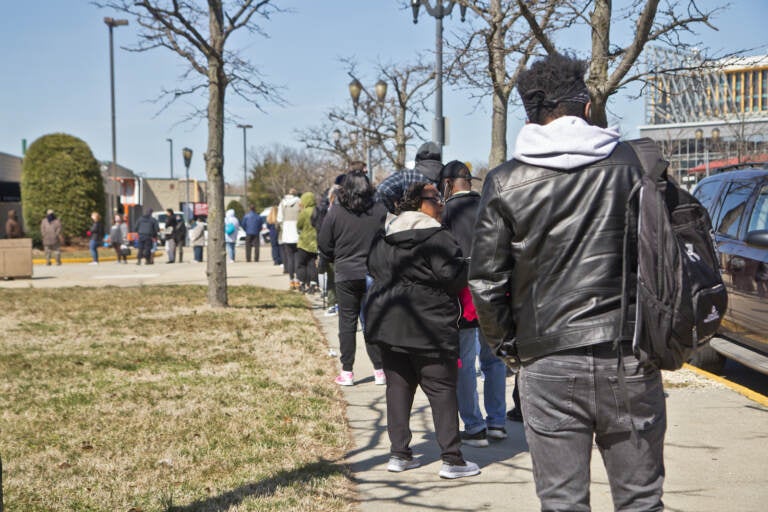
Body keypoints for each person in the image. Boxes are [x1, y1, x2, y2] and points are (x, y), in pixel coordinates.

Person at [469, 53, 666, 510]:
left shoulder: (505, 181)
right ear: (587, 104)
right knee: (641, 501)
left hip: (548, 361)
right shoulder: (632, 165)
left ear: (531, 114)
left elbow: (485, 281)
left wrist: (509, 349)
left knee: (563, 504)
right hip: (629, 353)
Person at [364, 182, 480, 480]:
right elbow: (453, 278)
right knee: (441, 391)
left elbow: (373, 268)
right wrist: (465, 266)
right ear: (418, 202)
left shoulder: (384, 236)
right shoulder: (438, 237)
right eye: (435, 198)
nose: (441, 203)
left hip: (388, 323)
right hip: (430, 326)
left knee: (398, 389)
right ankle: (452, 460)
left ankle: (399, 454)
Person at [438, 160, 507, 446]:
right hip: (494, 290)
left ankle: (474, 426)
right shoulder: (489, 206)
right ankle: (497, 422)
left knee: (465, 361)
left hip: (463, 293)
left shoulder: (447, 213)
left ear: (447, 184)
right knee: (494, 360)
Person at [318, 171, 387, 386]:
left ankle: (347, 371)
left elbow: (324, 243)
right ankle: (380, 370)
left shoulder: (336, 212)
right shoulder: (379, 211)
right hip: (372, 272)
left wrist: (332, 258)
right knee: (372, 323)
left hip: (346, 272)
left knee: (346, 323)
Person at [375, 141, 443, 213]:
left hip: (409, 222)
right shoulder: (445, 178)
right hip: (436, 222)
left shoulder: (407, 175)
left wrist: (395, 211)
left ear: (417, 159)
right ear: (439, 159)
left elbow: (383, 189)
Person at [277, 188, 301, 289]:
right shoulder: (299, 202)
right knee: (297, 258)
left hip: (287, 234)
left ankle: (291, 280)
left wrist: (283, 227)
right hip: (297, 234)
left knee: (290, 258)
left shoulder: (282, 203)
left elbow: (279, 218)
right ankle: (298, 280)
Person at [296, 192, 319, 294]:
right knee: (312, 264)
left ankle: (302, 283)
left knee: (301, 264)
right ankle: (313, 284)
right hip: (315, 243)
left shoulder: (304, 212)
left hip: (304, 243)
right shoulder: (318, 211)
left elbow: (299, 225)